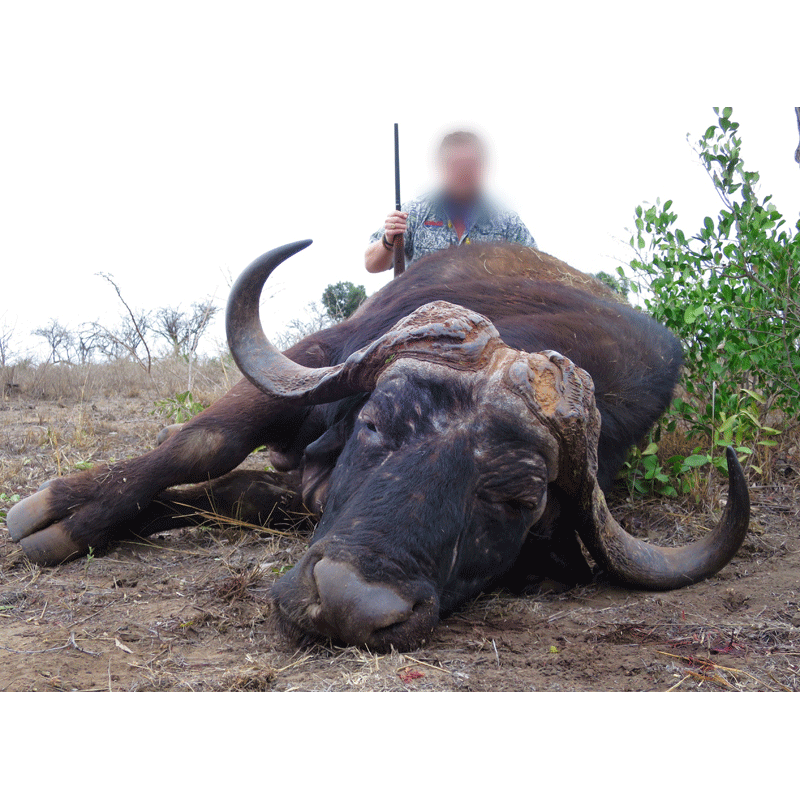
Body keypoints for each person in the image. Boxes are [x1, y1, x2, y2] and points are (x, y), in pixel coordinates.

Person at [365, 130, 537, 273]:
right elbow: (371, 264)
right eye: (456, 165)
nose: (463, 172)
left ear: (482, 168)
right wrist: (388, 240)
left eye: (470, 165)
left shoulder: (507, 222)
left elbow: (538, 268)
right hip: (424, 312)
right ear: (441, 167)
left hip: (487, 312)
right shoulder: (414, 213)